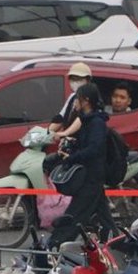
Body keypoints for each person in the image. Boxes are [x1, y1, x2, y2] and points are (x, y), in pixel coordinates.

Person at [49, 83, 113, 249]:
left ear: (85, 101)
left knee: (75, 215)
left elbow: (94, 148)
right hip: (91, 176)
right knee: (104, 217)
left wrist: (72, 158)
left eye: (77, 98)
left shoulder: (96, 123)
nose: (75, 102)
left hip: (92, 176)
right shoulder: (87, 121)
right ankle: (116, 245)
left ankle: (54, 246)